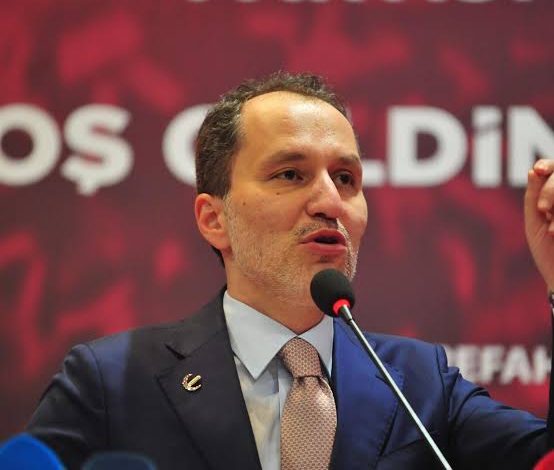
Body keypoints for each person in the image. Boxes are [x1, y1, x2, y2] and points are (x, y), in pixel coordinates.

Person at [26, 72, 554, 469]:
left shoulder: (420, 383)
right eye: (290, 174)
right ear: (214, 220)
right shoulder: (112, 381)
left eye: (345, 178)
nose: (330, 202)